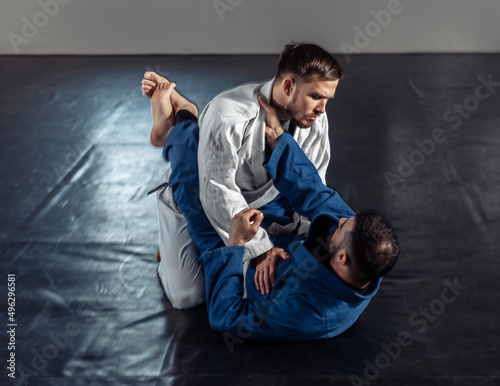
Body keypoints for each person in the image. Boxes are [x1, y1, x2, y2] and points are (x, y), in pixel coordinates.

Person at [145, 80, 399, 341]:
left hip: (239, 257)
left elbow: (227, 317)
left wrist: (236, 245)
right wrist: (278, 137)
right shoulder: (362, 252)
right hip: (273, 235)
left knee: (186, 295)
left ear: (342, 259)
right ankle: (178, 228)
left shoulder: (308, 312)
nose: (341, 218)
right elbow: (314, 191)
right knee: (219, 191)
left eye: (342, 226)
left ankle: (182, 123)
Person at [142, 43, 345, 308]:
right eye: (317, 96)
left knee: (262, 283)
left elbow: (312, 184)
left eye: (328, 100)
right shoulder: (228, 113)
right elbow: (217, 192)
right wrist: (260, 249)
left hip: (256, 209)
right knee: (189, 297)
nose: (322, 109)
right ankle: (182, 118)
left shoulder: (314, 120)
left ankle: (176, 247)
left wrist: (312, 230)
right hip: (195, 195)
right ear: (288, 86)